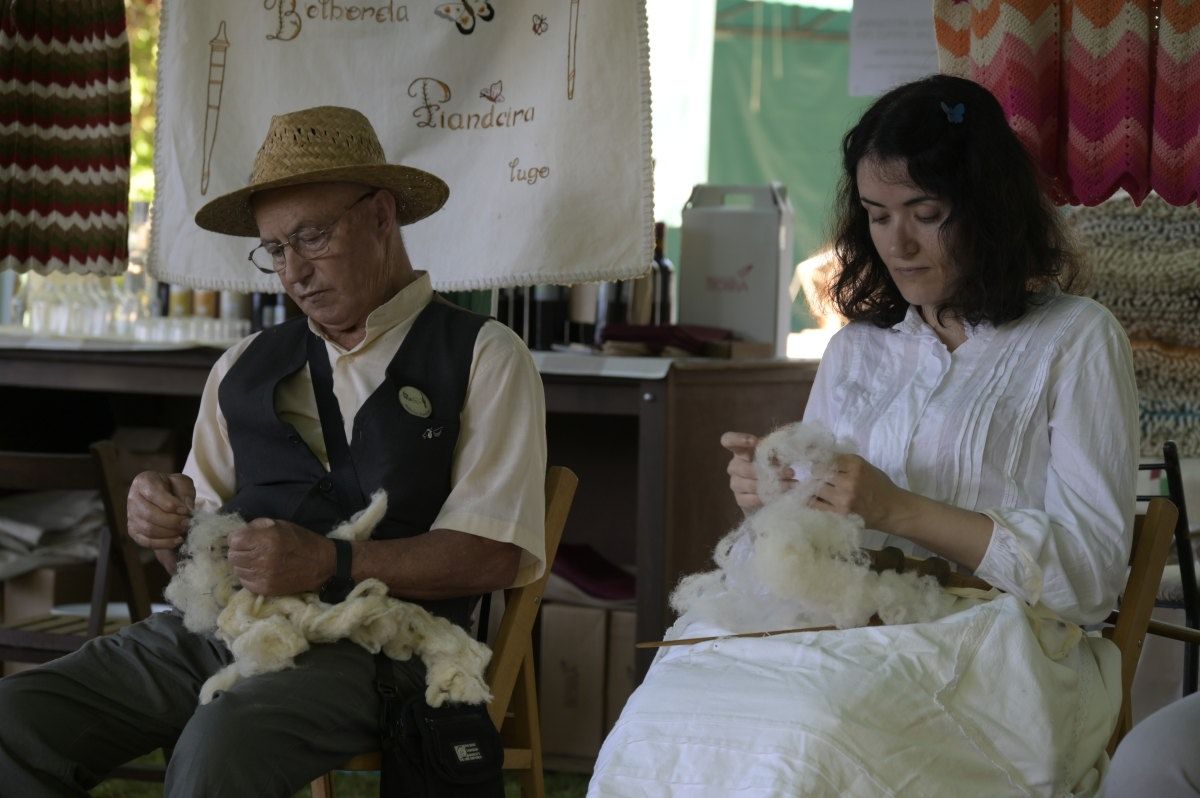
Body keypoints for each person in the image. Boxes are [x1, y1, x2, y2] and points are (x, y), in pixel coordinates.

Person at [589, 74, 1138, 796]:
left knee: (809, 739)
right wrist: (775, 503)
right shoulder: (859, 352)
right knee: (662, 716)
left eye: (926, 212)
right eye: (878, 216)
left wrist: (897, 509)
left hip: (997, 650)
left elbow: (1091, 579)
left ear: (989, 210)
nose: (899, 244)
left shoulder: (1074, 340)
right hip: (846, 622)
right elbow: (817, 536)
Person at [0, 106, 547, 796]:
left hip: (389, 646)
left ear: (382, 216)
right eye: (276, 250)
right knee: (15, 716)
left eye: (312, 238)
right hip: (228, 629)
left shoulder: (483, 356)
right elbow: (192, 557)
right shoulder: (242, 366)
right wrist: (164, 523)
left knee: (224, 741)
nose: (293, 271)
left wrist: (330, 560)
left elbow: (494, 552)